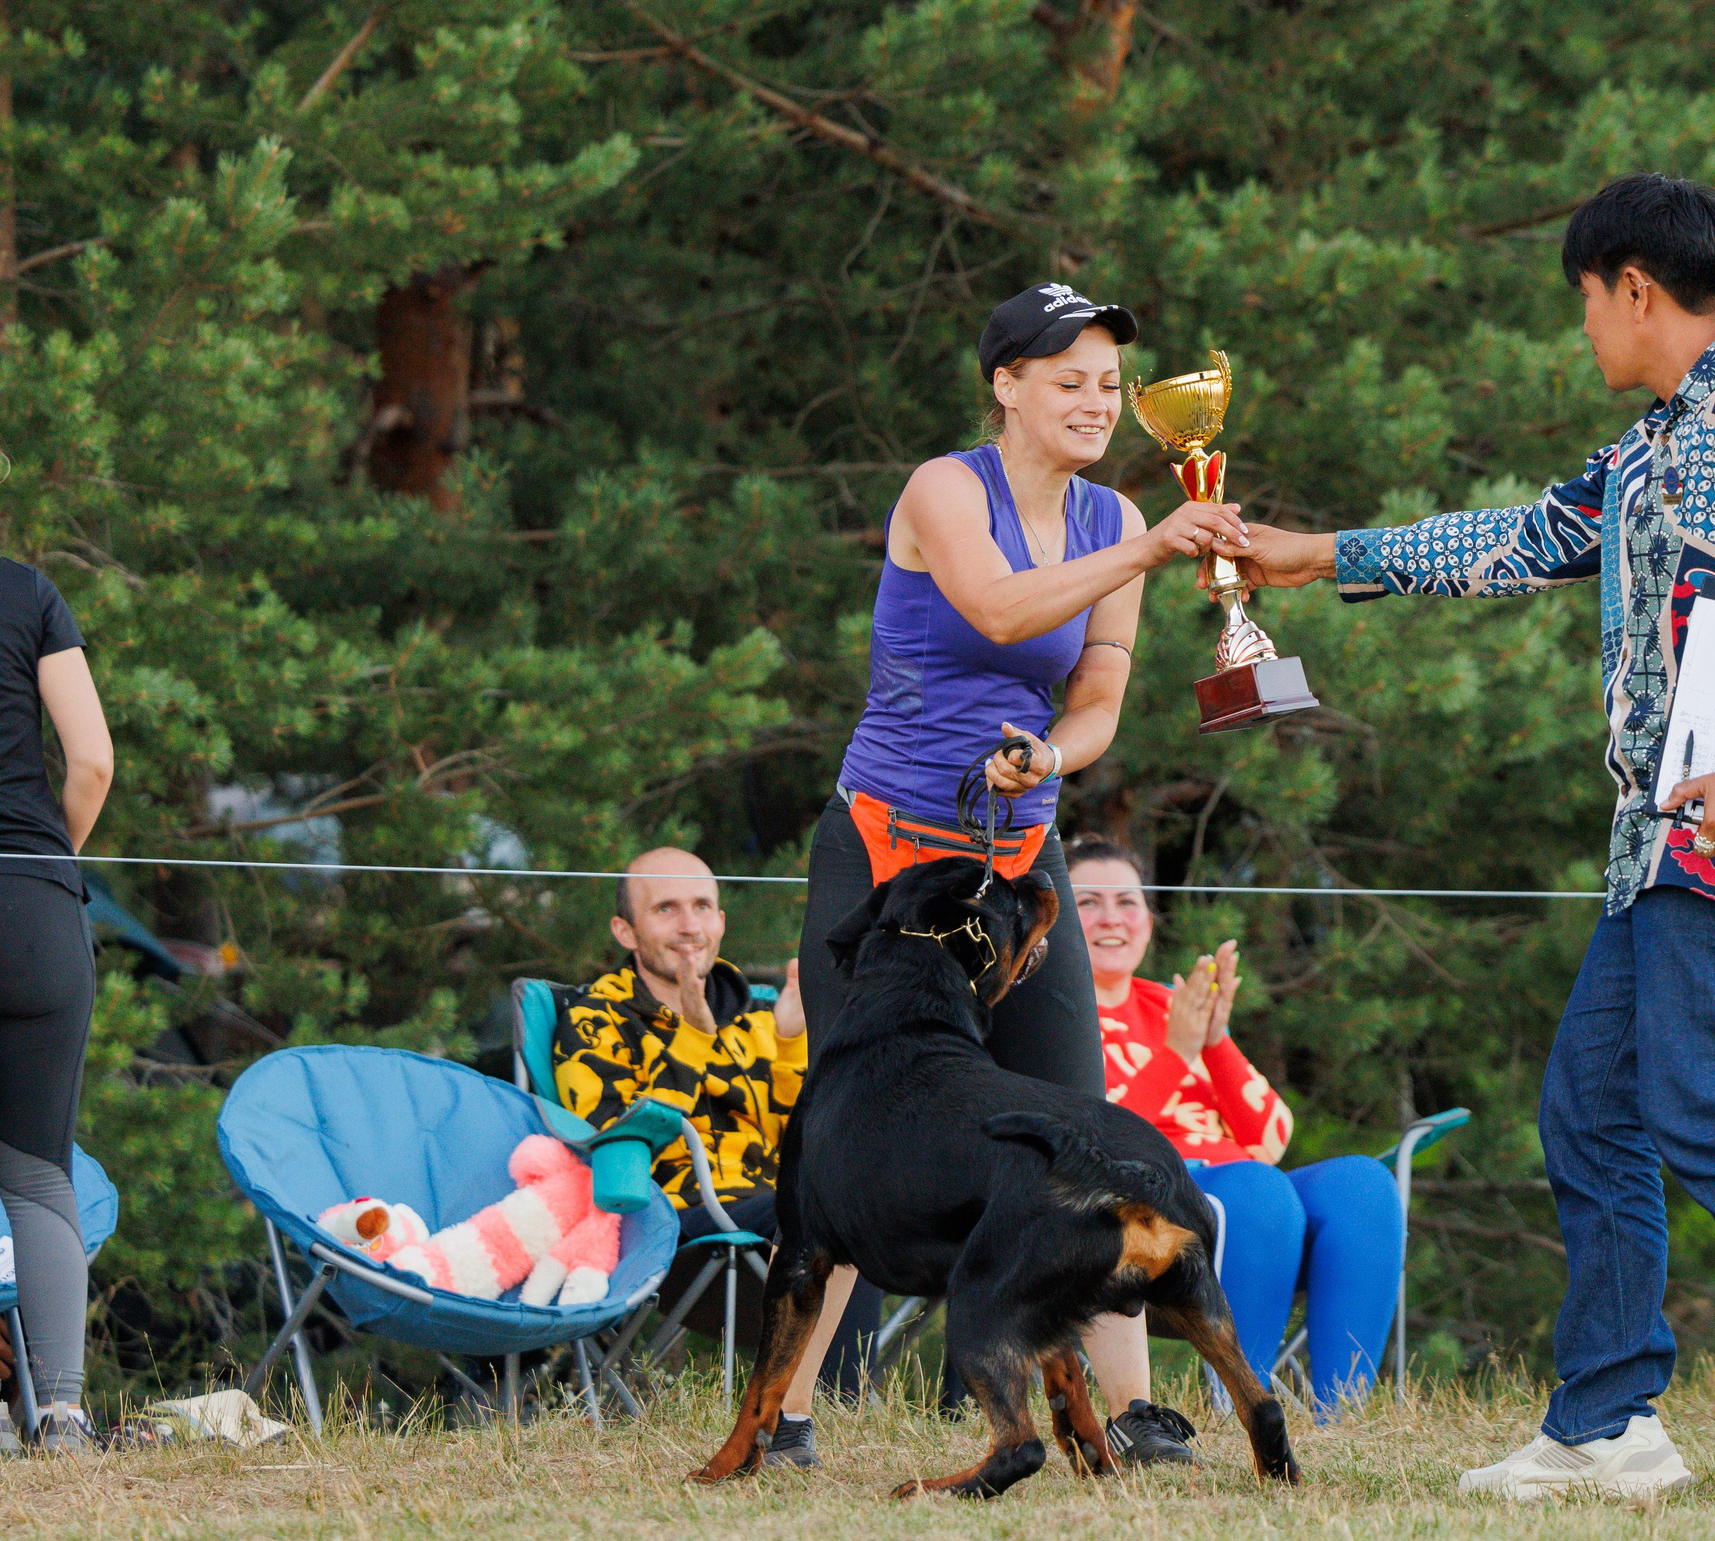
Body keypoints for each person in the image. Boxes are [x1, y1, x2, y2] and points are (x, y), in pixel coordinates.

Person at [1228, 175, 1715, 1510]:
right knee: (1591, 1106)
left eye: (1585, 299)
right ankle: (1607, 1425)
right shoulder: (1655, 440)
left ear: (1635, 286)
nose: (1584, 328)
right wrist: (1320, 556)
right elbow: (1535, 537)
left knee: (1705, 1106)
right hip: (1660, 838)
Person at [797, 283, 1251, 1465]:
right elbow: (997, 611)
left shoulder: (1113, 519)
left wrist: (1055, 752)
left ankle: (1138, 1410)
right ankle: (787, 1415)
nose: (1097, 401)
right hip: (890, 848)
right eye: (1069, 379)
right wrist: (1152, 542)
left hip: (1017, 858)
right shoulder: (945, 490)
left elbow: (1099, 689)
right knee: (850, 1130)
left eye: (1109, 383)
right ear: (1006, 385)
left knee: (1083, 1122)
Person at [1072, 838, 1405, 1417]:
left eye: (1126, 901)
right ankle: (1244, 1411)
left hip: (1248, 1203)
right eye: (1088, 902)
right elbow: (1091, 1141)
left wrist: (1216, 1040)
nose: (1110, 919)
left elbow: (1269, 1140)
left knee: (1363, 1184)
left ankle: (1339, 1415)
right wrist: (1177, 1054)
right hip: (1137, 1210)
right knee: (1258, 1191)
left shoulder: (1174, 1005)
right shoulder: (1057, 1016)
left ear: (1148, 920)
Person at [555, 847, 863, 1469]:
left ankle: (810, 1407)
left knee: (863, 1196)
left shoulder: (752, 1012)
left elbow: (797, 1140)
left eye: (701, 907)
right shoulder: (593, 1017)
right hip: (663, 1212)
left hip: (769, 1209)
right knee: (821, 1215)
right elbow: (621, 1138)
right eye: (665, 909)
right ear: (625, 930)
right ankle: (788, 1417)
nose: (689, 925)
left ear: (721, 921)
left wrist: (788, 1043)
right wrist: (693, 1036)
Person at [0, 434, 114, 1455]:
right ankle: (62, 1413)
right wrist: (42, 868)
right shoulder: (28, 593)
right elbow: (93, 761)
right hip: (32, 905)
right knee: (38, 1171)